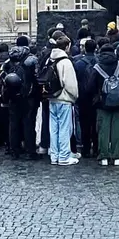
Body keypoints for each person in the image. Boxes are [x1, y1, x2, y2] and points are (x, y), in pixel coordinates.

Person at [86, 41, 119, 165]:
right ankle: (118, 157)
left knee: (103, 129)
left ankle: (103, 156)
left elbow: (89, 87)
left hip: (102, 102)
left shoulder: (97, 67)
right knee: (117, 129)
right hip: (118, 101)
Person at [0, 36, 40, 160]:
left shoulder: (8, 60)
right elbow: (37, 77)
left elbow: (3, 76)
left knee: (13, 124)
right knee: (28, 123)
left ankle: (14, 150)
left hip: (12, 95)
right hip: (28, 95)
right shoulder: (31, 59)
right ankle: (30, 150)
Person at [46, 36, 79, 165]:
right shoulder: (66, 62)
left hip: (52, 98)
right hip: (64, 99)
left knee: (53, 129)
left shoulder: (50, 59)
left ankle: (54, 155)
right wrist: (74, 97)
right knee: (65, 128)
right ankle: (64, 156)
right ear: (67, 46)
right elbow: (71, 85)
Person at [72, 38, 99, 159]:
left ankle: (86, 149)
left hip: (82, 97)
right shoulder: (99, 62)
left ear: (84, 48)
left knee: (84, 124)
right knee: (96, 124)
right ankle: (97, 148)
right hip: (97, 97)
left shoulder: (78, 63)